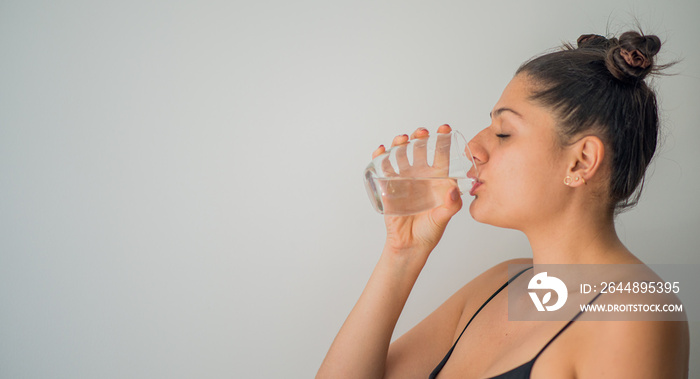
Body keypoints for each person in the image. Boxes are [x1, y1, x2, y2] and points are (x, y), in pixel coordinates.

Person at [317, 31, 690, 378]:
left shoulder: (638, 316)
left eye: (503, 132)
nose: (473, 148)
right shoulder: (500, 283)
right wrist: (402, 254)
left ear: (580, 162)